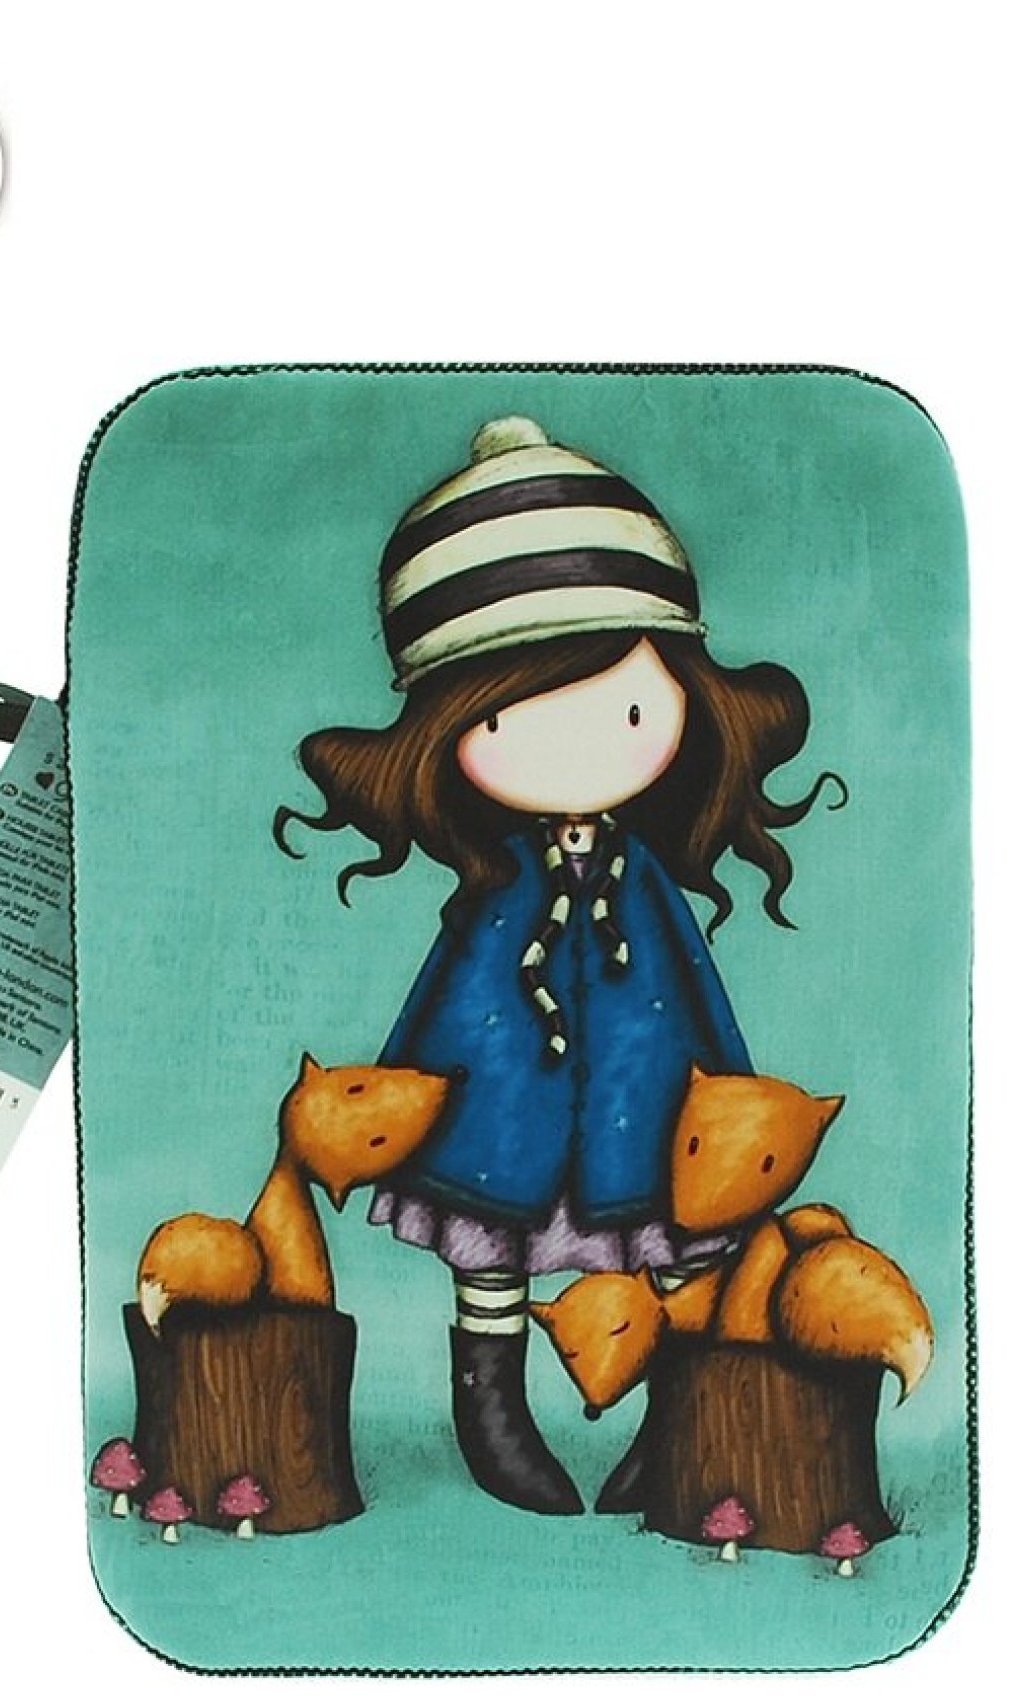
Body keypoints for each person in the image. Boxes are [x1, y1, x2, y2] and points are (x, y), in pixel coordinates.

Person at [275, 416, 841, 1514]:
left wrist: (720, 1108)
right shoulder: (500, 890)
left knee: (678, 1244)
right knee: (493, 1246)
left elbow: (691, 1001)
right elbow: (452, 1010)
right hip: (507, 1109)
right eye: (510, 720)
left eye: (627, 708)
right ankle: (491, 1409)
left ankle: (676, 1410)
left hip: (646, 1098)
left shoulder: (645, 881)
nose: (582, 748)